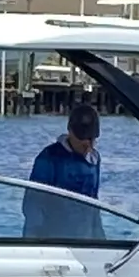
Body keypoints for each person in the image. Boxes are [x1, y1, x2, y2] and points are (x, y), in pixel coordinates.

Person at [22, 100, 104, 240]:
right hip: (54, 240)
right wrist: (33, 242)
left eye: (91, 139)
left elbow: (94, 208)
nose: (87, 143)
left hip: (86, 240)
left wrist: (101, 241)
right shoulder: (49, 158)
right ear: (70, 131)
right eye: (82, 137)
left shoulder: (94, 160)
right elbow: (33, 205)